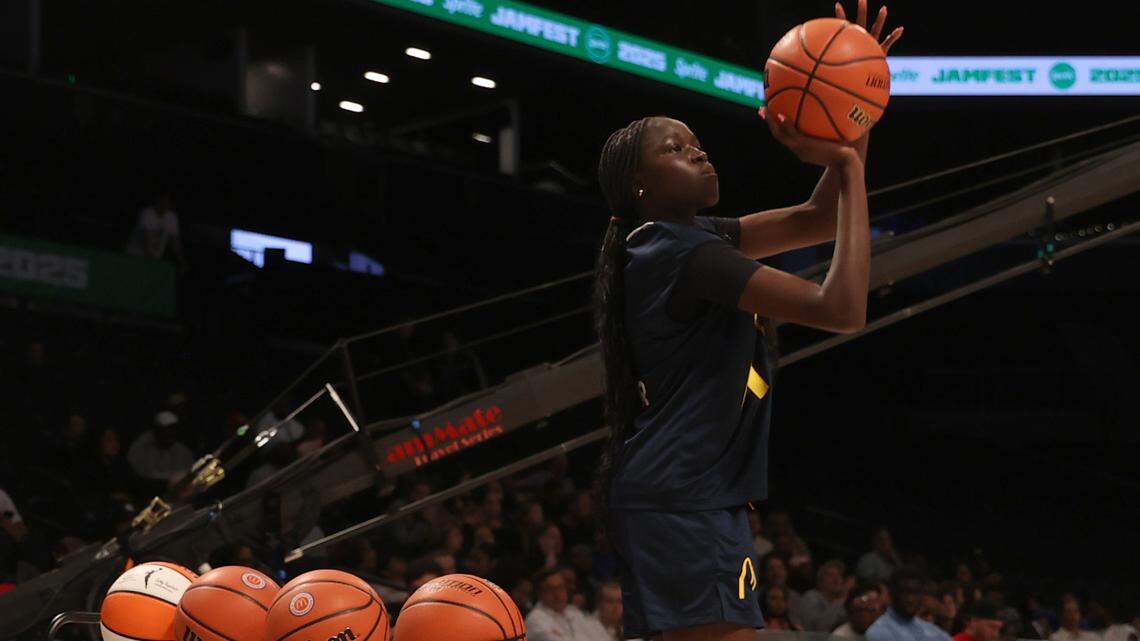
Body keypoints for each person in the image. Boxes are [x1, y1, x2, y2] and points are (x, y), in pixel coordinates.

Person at [592, 3, 900, 640]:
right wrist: (846, 165)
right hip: (684, 501)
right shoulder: (686, 254)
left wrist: (856, 104)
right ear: (640, 186)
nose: (698, 152)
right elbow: (841, 309)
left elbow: (815, 221)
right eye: (675, 150)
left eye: (695, 142)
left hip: (680, 497)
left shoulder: (678, 239)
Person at [865, 568, 952, 641]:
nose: (910, 599)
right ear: (892, 594)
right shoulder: (878, 632)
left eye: (915, 592)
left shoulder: (932, 631)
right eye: (905, 592)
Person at [525, 567, 601, 641]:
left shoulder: (574, 613)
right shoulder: (535, 619)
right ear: (540, 593)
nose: (558, 594)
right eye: (551, 589)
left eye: (561, 587)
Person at [126, 191, 188, 271]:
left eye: (167, 201)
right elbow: (146, 240)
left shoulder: (172, 218)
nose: (164, 203)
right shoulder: (147, 214)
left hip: (153, 261)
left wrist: (182, 261)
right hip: (134, 256)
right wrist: (152, 261)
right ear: (156, 201)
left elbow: (175, 243)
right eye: (162, 200)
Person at [793, 559, 849, 632]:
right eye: (831, 575)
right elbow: (818, 629)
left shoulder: (843, 603)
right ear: (821, 581)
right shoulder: (811, 597)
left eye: (839, 575)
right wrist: (840, 600)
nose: (837, 579)